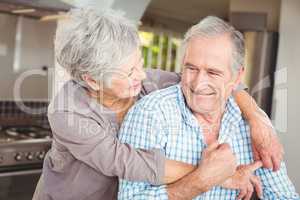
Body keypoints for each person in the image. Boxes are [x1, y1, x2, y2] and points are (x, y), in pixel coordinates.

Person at [33, 9, 284, 200]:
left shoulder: (148, 83)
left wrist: (257, 119)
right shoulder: (68, 112)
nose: (141, 76)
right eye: (129, 72)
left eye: (139, 63)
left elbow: (217, 82)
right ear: (92, 80)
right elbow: (125, 161)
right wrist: (217, 174)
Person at [117, 16, 299, 200]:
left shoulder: (254, 127)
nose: (199, 83)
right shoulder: (150, 113)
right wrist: (201, 180)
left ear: (237, 77)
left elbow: (284, 195)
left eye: (213, 72)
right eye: (191, 69)